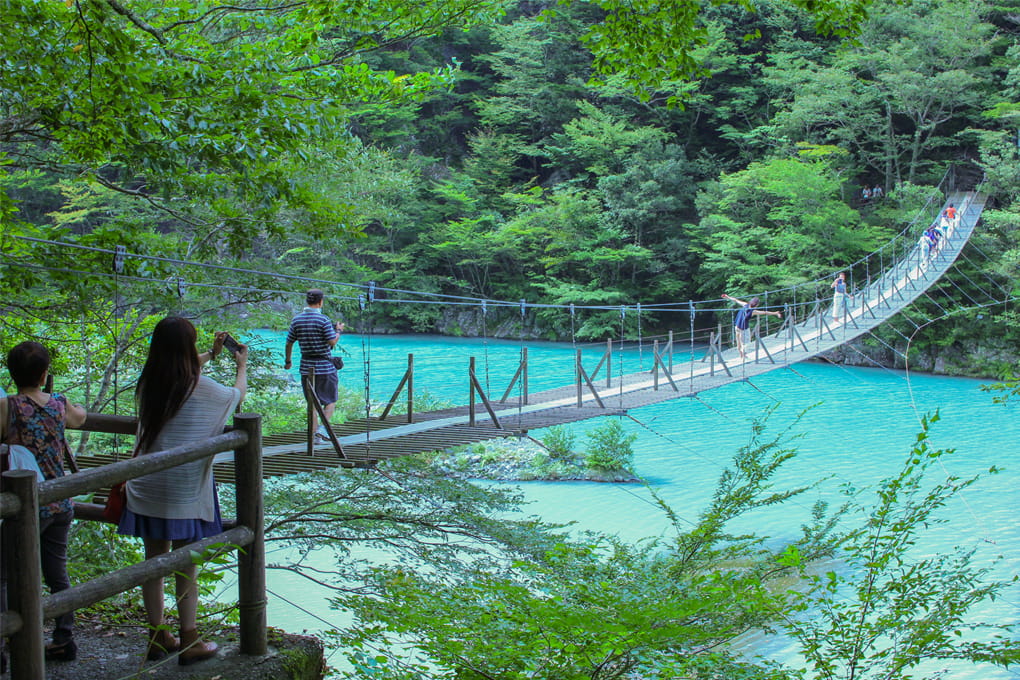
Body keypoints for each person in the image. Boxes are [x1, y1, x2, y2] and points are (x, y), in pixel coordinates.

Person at [118, 317, 246, 666]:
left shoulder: (149, 385)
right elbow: (236, 396)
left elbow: (177, 371)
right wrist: (240, 364)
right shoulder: (204, 389)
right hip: (185, 489)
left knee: (154, 563)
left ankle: (157, 635)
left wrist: (211, 354)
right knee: (185, 564)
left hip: (145, 485)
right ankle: (190, 638)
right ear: (187, 349)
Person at [0, 342, 86, 662]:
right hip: (59, 502)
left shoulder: (7, 406)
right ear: (44, 372)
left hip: (22, 507)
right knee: (57, 574)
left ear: (11, 373)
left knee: (3, 575)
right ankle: (64, 637)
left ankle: (3, 645)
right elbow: (81, 417)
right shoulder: (60, 405)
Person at [284, 289, 344, 443]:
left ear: (307, 301)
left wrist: (288, 361)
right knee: (330, 400)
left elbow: (289, 342)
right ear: (320, 302)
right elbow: (332, 342)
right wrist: (338, 331)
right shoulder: (323, 320)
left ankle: (313, 438)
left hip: (306, 367)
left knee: (312, 404)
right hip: (325, 367)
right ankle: (322, 430)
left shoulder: (297, 320)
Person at [720, 293, 782, 359]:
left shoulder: (745, 305)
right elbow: (765, 312)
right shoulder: (753, 311)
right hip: (743, 329)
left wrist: (728, 297)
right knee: (745, 343)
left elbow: (735, 300)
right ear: (757, 305)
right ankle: (743, 355)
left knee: (739, 341)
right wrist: (775, 313)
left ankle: (741, 355)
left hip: (737, 327)